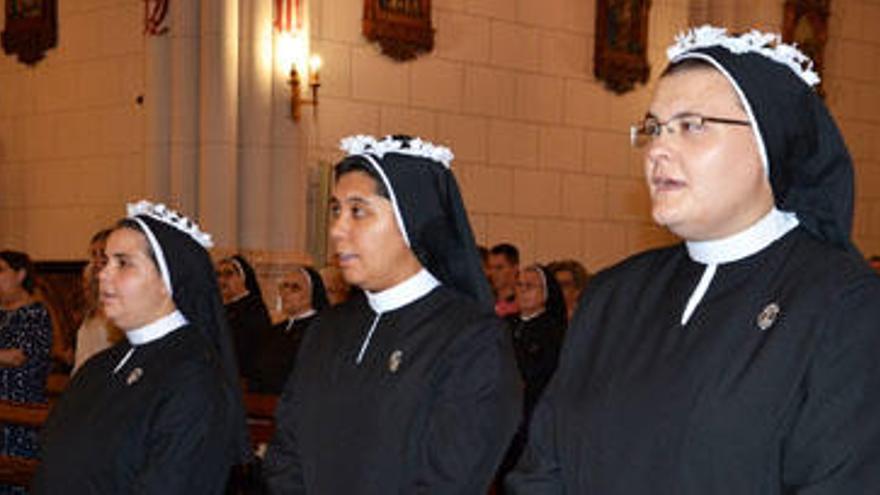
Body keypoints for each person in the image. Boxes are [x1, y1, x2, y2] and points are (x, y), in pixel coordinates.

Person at [507, 26, 880, 493]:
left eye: (692, 125)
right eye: (653, 128)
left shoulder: (843, 304)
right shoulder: (613, 294)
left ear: (771, 141)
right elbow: (543, 469)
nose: (658, 149)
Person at [264, 134, 521, 493]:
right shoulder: (327, 329)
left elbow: (449, 479)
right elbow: (285, 454)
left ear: (412, 221)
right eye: (336, 209)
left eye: (358, 211)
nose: (337, 230)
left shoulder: (471, 339)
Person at [33, 200, 250, 494]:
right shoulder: (99, 366)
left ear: (167, 280)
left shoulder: (195, 377)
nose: (103, 275)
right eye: (105, 262)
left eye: (123, 263)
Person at [498, 264, 567, 486]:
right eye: (519, 285)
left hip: (533, 414)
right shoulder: (504, 325)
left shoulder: (555, 331)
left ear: (545, 293)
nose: (522, 290)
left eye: (530, 286)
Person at [0, 250, 52, 494]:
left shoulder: (35, 313)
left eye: (1, 270)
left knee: (16, 476)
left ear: (20, 274)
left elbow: (16, 356)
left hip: (20, 408)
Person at [250, 265, 328, 394]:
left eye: (295, 288)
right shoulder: (274, 331)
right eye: (284, 286)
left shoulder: (321, 330)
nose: (286, 292)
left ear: (312, 293)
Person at [73, 228, 123, 372]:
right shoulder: (92, 300)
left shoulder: (125, 300)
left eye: (103, 254)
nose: (97, 261)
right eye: (94, 254)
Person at [217, 255, 271, 385]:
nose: (222, 280)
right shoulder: (221, 308)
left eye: (228, 274)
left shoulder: (254, 308)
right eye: (218, 275)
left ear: (243, 277)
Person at [490, 243, 520, 317]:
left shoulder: (523, 303)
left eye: (499, 268)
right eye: (491, 268)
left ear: (514, 268)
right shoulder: (484, 299)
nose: (493, 273)